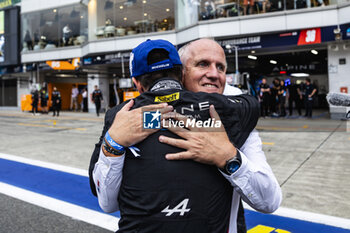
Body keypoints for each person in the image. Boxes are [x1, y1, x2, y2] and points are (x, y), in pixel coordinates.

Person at [90, 39, 282, 233]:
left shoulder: (231, 110)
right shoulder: (129, 119)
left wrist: (228, 157)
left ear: (138, 83)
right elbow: (106, 201)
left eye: (221, 68)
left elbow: (269, 202)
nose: (214, 74)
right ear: (182, 73)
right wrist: (113, 142)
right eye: (202, 64)